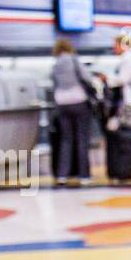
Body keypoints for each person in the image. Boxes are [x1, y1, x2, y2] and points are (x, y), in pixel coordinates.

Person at [99, 31, 131, 182]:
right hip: (128, 102)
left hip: (128, 103)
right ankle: (125, 168)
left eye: (115, 45)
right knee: (127, 136)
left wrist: (108, 78)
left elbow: (123, 80)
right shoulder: (129, 59)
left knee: (127, 136)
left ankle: (127, 168)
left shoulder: (129, 60)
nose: (114, 48)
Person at [50, 39, 95, 186]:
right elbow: (87, 78)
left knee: (66, 140)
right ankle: (84, 176)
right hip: (78, 100)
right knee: (82, 138)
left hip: (62, 103)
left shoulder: (55, 65)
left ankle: (62, 175)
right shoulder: (74, 60)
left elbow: (53, 83)